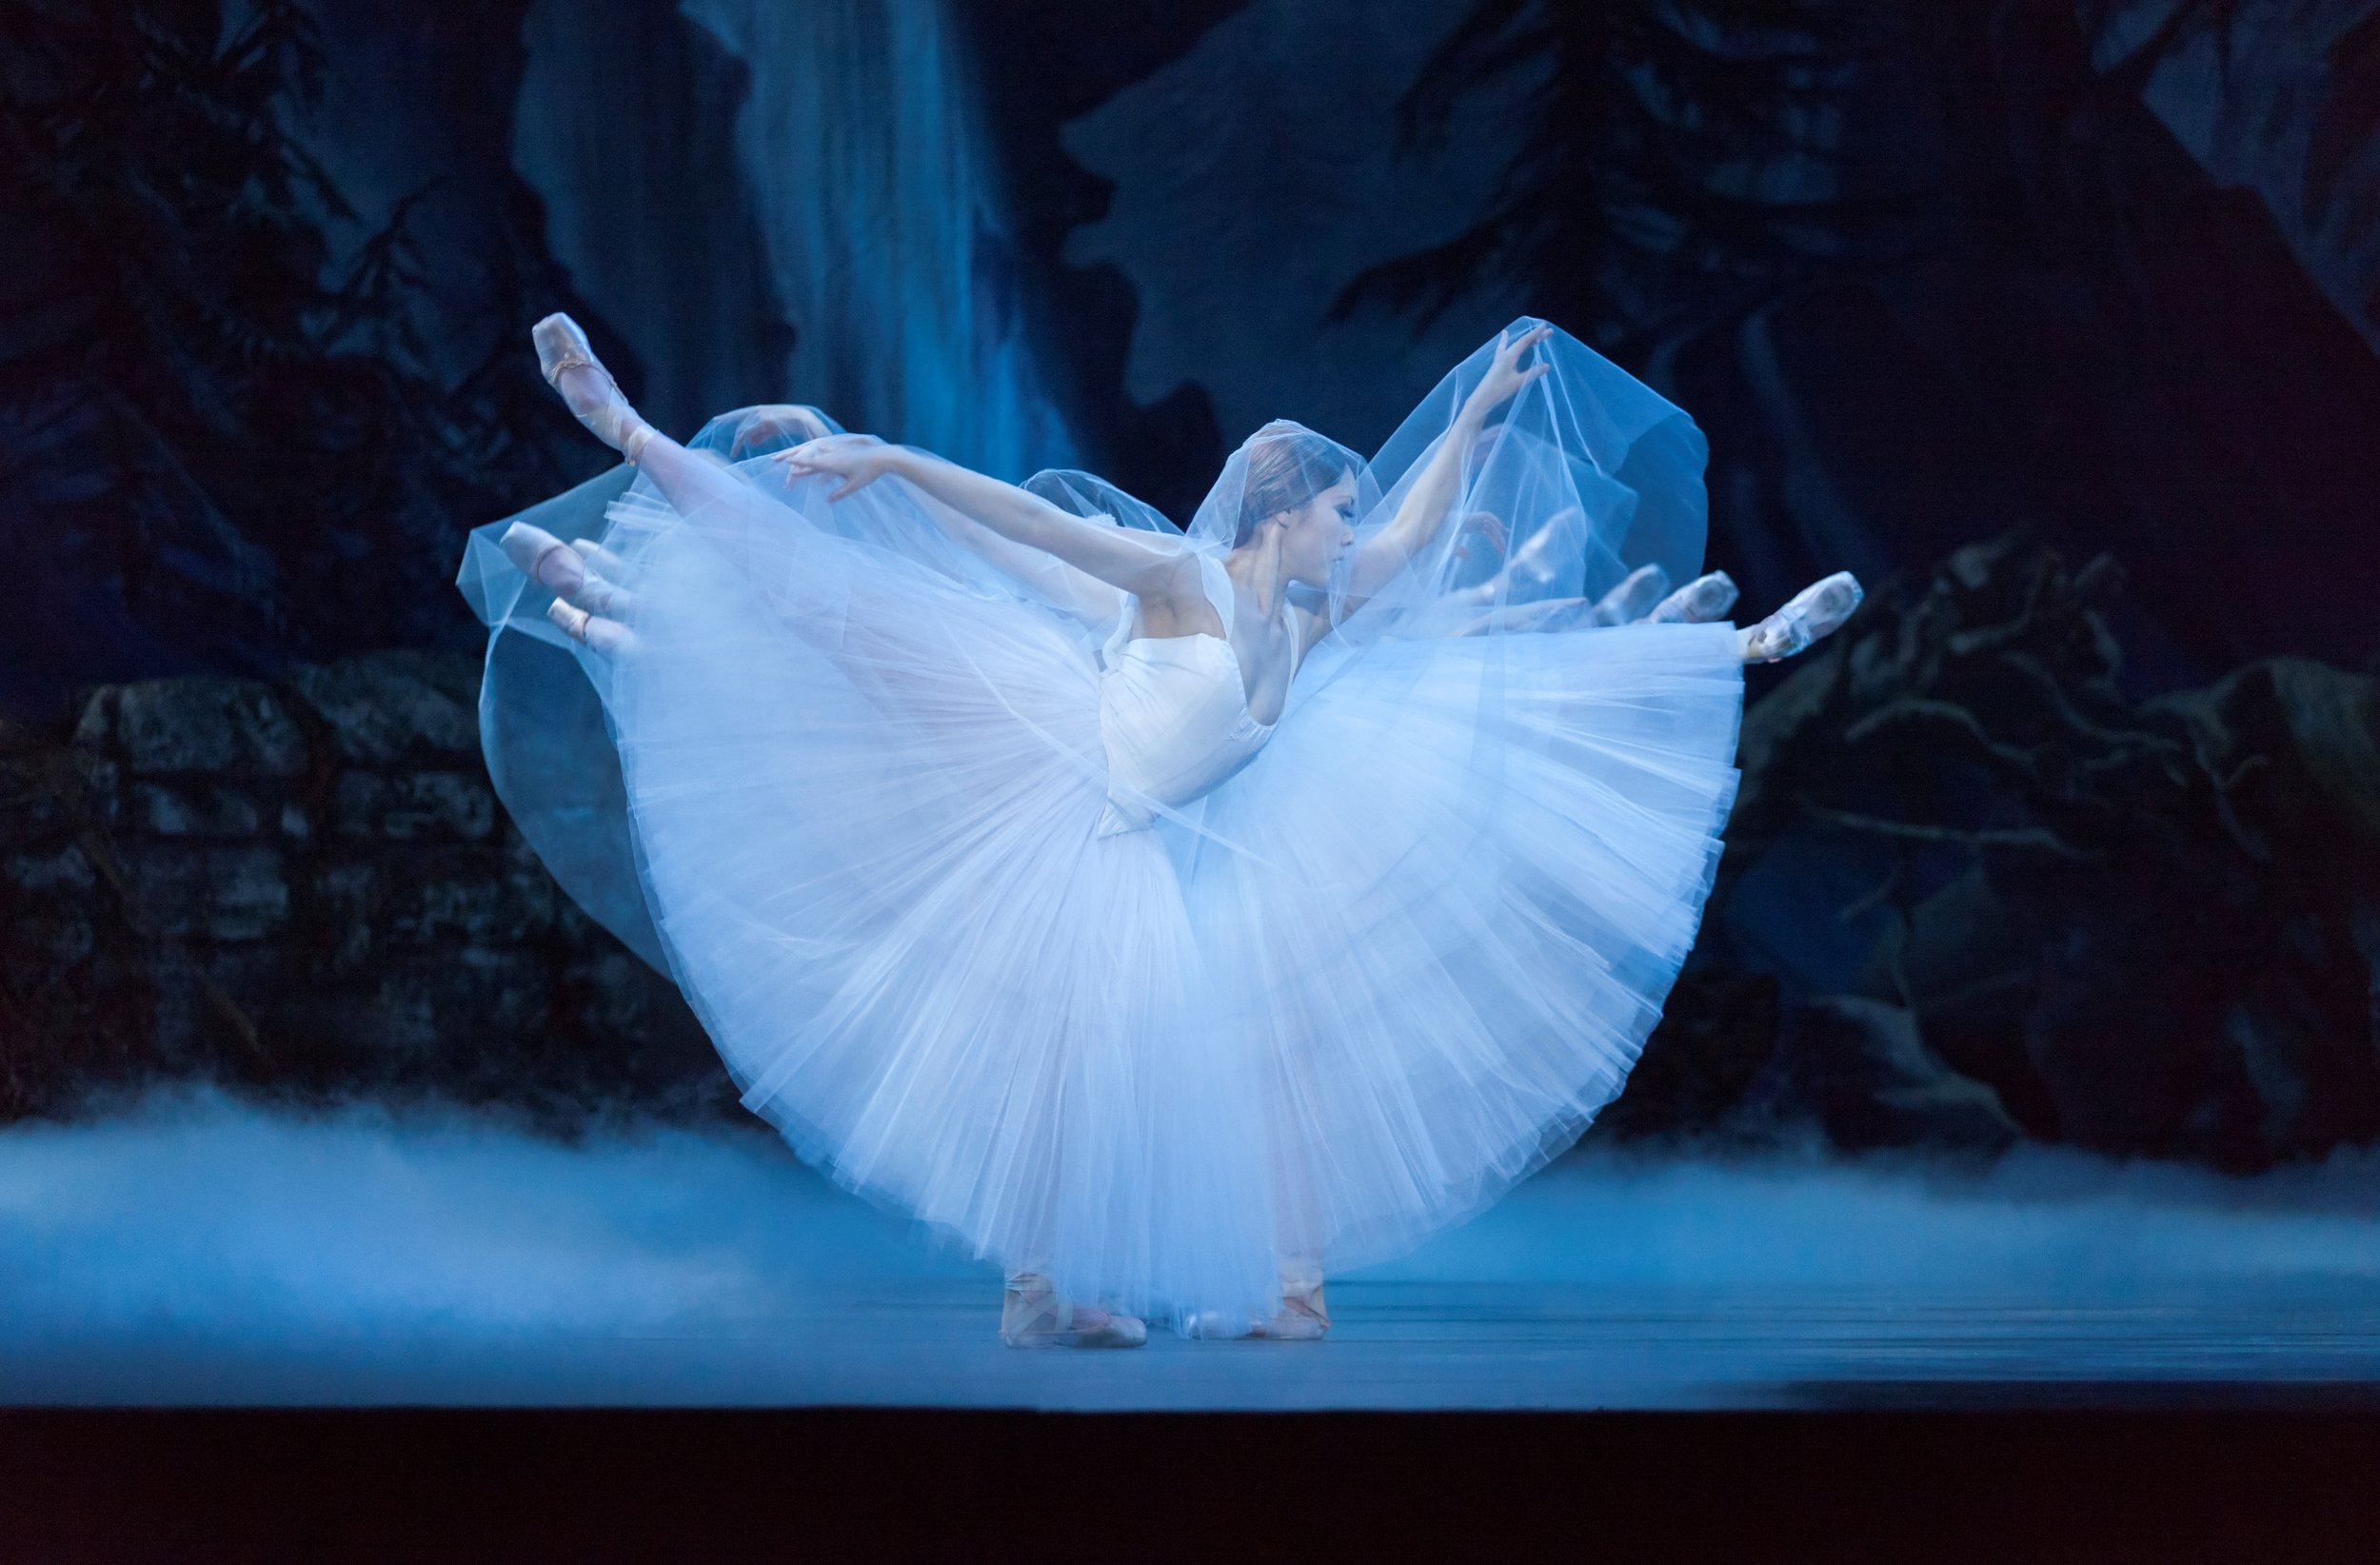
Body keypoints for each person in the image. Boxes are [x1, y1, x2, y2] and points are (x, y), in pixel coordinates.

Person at [459, 313, 1860, 1348]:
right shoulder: (1188, 579)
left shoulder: (1309, 604)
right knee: (848, 635)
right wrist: (896, 460)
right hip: (1046, 759)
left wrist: (1486, 409)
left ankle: (1728, 650)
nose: (1350, 522)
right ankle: (621, 497)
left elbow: (1418, 534)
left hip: (1125, 826)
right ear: (1283, 515)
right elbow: (1037, 529)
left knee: (1156, 1048)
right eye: (1336, 506)